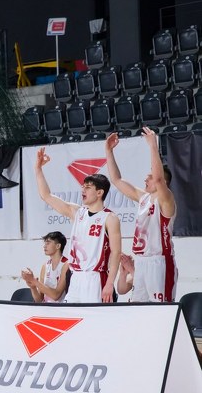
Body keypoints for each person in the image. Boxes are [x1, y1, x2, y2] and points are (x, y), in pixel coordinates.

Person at [35, 146, 121, 303]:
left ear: (99, 192)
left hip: (95, 277)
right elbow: (46, 196)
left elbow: (116, 253)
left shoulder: (110, 218)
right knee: (72, 316)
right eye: (83, 186)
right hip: (75, 278)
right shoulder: (77, 212)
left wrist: (110, 284)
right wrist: (38, 169)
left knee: (93, 318)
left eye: (88, 187)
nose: (83, 190)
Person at [105, 127, 177, 302]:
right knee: (138, 308)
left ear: (164, 182)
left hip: (159, 261)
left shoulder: (166, 199)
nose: (146, 179)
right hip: (141, 261)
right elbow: (116, 180)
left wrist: (153, 146)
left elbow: (158, 180)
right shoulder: (143, 198)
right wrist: (108, 151)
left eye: (149, 176)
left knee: (159, 310)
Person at [21, 231, 70, 303]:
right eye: (45, 243)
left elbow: (56, 295)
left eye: (48, 243)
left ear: (58, 246)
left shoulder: (66, 264)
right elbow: (39, 301)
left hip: (60, 308)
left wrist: (34, 281)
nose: (44, 246)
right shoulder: (45, 266)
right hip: (45, 308)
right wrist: (33, 287)